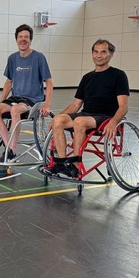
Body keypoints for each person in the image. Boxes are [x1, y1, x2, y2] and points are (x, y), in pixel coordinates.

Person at [44, 39, 129, 179]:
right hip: (87, 114)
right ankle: (60, 163)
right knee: (58, 120)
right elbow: (75, 105)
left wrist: (113, 122)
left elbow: (123, 106)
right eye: (96, 52)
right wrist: (55, 118)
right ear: (92, 54)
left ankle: (75, 167)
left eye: (103, 52)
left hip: (105, 116)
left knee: (79, 121)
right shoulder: (87, 77)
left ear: (111, 55)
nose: (99, 55)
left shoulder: (118, 75)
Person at [0, 24, 53, 162]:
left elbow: (49, 82)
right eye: (20, 37)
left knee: (15, 110)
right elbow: (9, 82)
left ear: (30, 40)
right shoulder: (12, 58)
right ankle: (9, 149)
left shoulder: (39, 57)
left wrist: (47, 104)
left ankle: (11, 151)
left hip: (32, 99)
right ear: (16, 39)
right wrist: (1, 101)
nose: (23, 39)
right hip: (15, 98)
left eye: (26, 37)